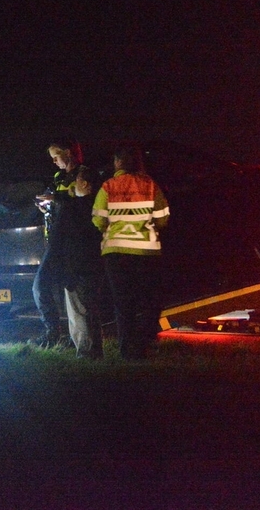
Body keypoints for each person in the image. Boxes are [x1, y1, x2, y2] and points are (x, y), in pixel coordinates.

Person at [92, 143, 170, 359]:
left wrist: (112, 229)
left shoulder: (108, 186)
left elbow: (98, 219)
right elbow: (163, 217)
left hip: (116, 253)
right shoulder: (150, 185)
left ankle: (127, 351)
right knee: (147, 300)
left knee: (123, 303)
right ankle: (144, 345)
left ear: (117, 162)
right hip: (146, 253)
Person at [30, 140, 86, 348]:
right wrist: (46, 206)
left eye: (56, 156)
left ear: (69, 153)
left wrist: (56, 198)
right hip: (56, 239)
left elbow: (81, 203)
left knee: (68, 291)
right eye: (52, 158)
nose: (54, 162)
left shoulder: (83, 175)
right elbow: (58, 202)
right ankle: (53, 333)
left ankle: (72, 339)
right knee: (42, 287)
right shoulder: (58, 177)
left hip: (73, 241)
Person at [57, 166, 105, 359]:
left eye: (76, 180)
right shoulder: (99, 206)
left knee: (77, 310)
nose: (73, 184)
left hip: (75, 265)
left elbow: (60, 238)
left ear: (84, 184)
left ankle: (85, 351)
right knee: (93, 307)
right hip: (96, 263)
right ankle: (97, 349)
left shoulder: (71, 208)